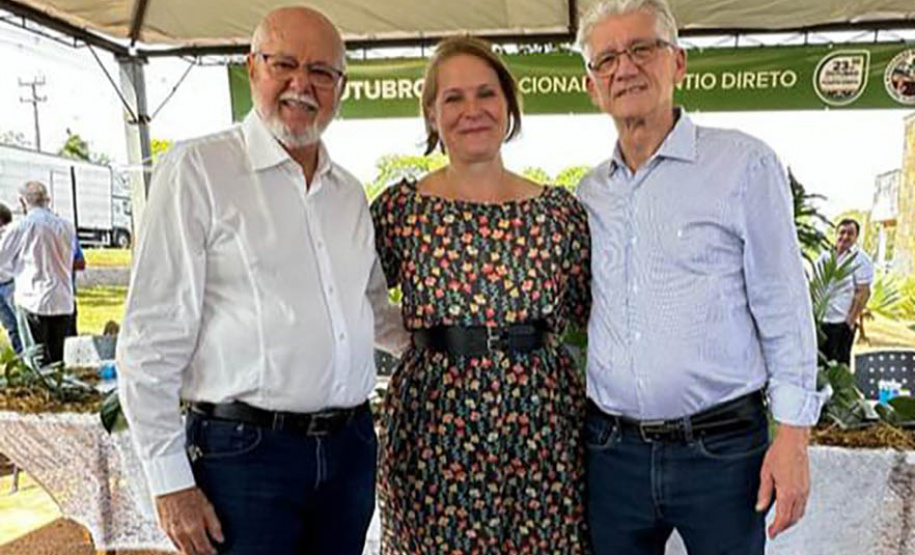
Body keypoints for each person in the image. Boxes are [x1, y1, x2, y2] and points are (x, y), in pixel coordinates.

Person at [117, 7, 407, 555]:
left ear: (340, 87)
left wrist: (460, 346)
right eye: (286, 65)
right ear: (252, 68)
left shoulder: (348, 192)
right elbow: (151, 335)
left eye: (322, 71)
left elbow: (370, 308)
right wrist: (169, 481)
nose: (303, 84)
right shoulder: (198, 170)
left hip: (348, 451)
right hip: (244, 457)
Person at [574, 1, 827, 554]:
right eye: (607, 58)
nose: (626, 68)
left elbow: (784, 308)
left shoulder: (743, 165)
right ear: (592, 86)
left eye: (642, 48)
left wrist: (793, 438)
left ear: (678, 62)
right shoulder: (587, 196)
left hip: (722, 452)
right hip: (612, 453)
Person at [371, 36, 592, 555]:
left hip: (541, 426)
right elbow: (350, 300)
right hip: (433, 427)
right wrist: (414, 344)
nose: (472, 110)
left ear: (508, 106)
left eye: (485, 94)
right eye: (453, 98)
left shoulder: (559, 214)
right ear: (431, 114)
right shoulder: (401, 211)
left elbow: (589, 311)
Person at [0, 181, 76, 365]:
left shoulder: (21, 227)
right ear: (47, 200)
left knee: (37, 362)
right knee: (58, 360)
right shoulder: (66, 226)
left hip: (33, 299)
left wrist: (13, 267)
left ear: (23, 202)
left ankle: (45, 392)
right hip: (63, 300)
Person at [816, 218, 873, 365]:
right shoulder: (825, 256)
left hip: (841, 324)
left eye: (850, 233)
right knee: (819, 365)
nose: (845, 237)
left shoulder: (860, 260)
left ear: (856, 237)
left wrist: (850, 321)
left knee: (838, 367)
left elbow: (863, 292)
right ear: (836, 235)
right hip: (820, 321)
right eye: (842, 232)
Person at [0, 203, 22, 354]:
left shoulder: (9, 235)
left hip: (11, 283)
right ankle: (21, 356)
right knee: (10, 326)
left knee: (21, 323)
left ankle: (31, 359)